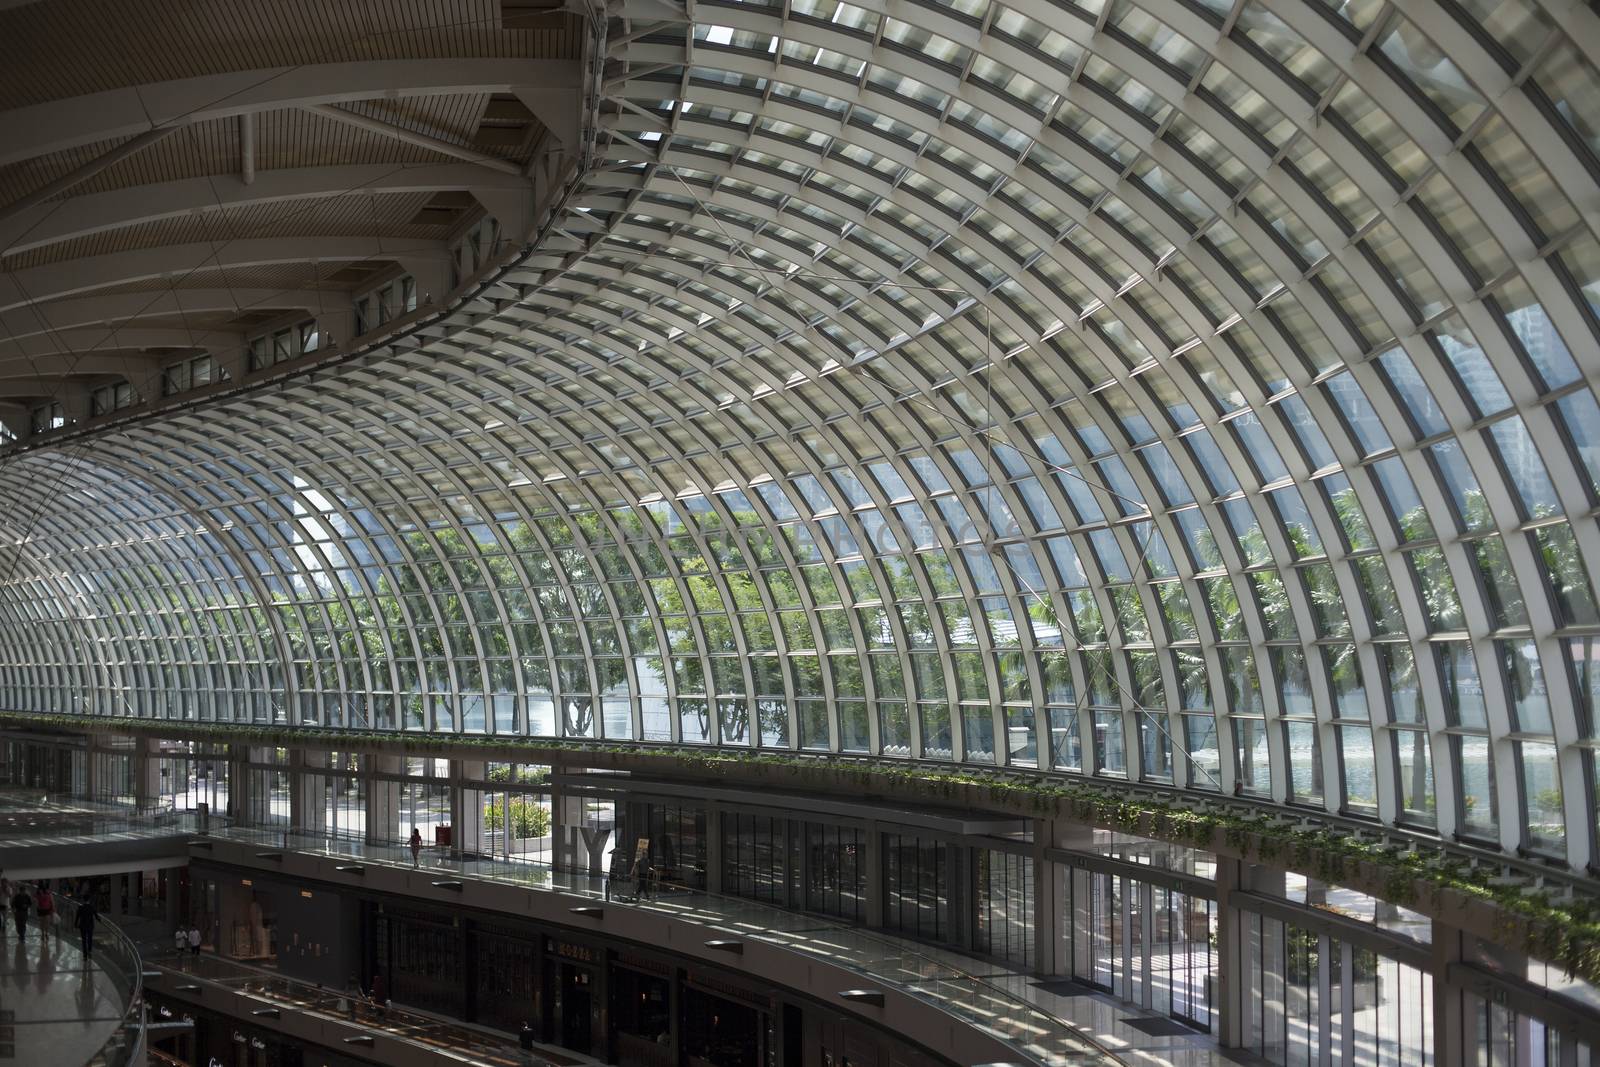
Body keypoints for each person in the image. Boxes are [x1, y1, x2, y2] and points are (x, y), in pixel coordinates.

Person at [74, 895, 95, 962]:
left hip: (82, 926)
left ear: (83, 900)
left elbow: (77, 917)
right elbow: (96, 915)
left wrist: (75, 924)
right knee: (89, 939)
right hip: (90, 926)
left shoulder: (81, 907)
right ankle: (90, 951)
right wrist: (99, 919)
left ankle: (85, 956)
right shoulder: (91, 907)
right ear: (89, 900)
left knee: (84, 940)